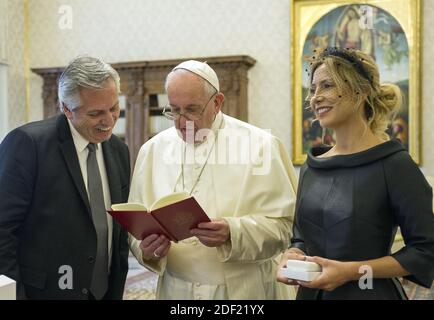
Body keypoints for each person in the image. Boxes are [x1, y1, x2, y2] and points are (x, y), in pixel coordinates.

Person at [128, 60, 298, 299]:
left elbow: (286, 228)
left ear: (217, 102)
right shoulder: (152, 150)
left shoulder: (261, 146)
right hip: (176, 291)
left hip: (242, 291)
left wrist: (233, 232)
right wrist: (147, 249)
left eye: (192, 109)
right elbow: (137, 227)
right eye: (174, 110)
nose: (181, 121)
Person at [277, 47, 434, 299]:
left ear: (361, 92)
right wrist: (293, 253)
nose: (315, 97)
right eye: (313, 89)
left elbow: (425, 250)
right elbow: (301, 238)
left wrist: (351, 271)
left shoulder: (394, 164)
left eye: (327, 85)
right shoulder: (312, 165)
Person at [0, 56, 131, 299]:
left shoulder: (119, 150)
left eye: (114, 108)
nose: (110, 120)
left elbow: (118, 232)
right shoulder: (28, 145)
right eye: (96, 113)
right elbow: (3, 231)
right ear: (67, 108)